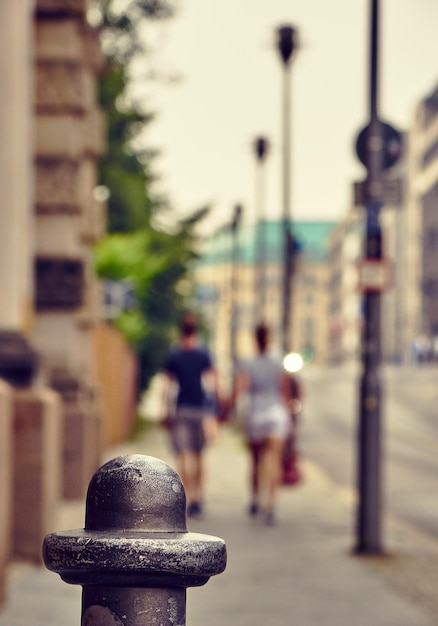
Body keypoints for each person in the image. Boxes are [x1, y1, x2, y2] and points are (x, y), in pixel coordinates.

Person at [234, 323, 292, 526]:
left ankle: (255, 500)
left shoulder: (248, 363)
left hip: (256, 413)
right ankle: (271, 505)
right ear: (269, 338)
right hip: (276, 412)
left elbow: (242, 389)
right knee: (274, 460)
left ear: (254, 339)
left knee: (256, 460)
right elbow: (285, 390)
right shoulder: (278, 361)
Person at [162, 312, 219, 518]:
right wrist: (213, 413)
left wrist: (166, 413)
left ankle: (185, 497)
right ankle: (198, 497)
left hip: (182, 410)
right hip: (201, 410)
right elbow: (212, 385)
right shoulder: (204, 354)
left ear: (180, 330)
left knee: (183, 456)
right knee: (199, 455)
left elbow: (167, 388)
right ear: (196, 330)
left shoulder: (174, 355)